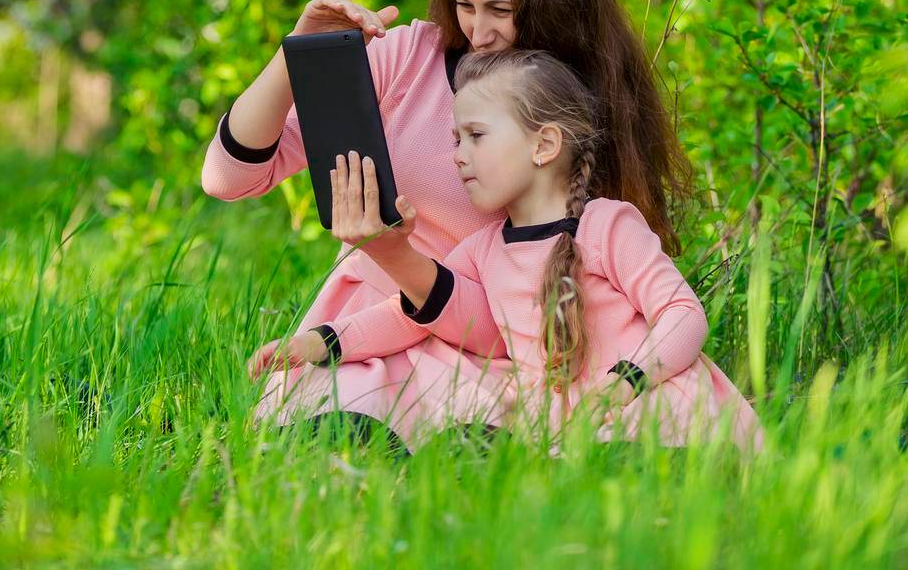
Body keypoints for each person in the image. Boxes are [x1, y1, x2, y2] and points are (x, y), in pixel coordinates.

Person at [201, 0, 694, 441]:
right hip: (379, 330)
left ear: (555, 5)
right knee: (344, 442)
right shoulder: (408, 59)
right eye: (465, 6)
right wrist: (296, 54)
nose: (479, 34)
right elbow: (229, 178)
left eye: (501, 11)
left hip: (512, 345)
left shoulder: (575, 100)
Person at [267, 49, 762, 455]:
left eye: (476, 136)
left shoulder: (607, 224)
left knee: (628, 462)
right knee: (469, 448)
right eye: (456, 138)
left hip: (649, 403)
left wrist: (624, 382)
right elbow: (409, 316)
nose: (458, 154)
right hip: (560, 430)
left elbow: (681, 312)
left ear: (544, 144)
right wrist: (322, 341)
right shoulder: (483, 250)